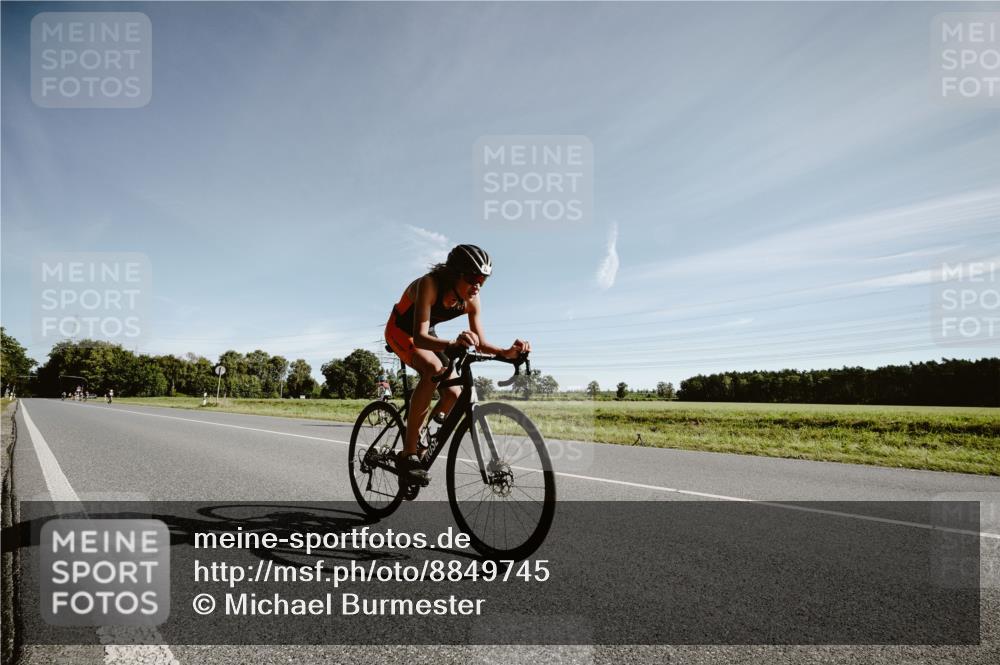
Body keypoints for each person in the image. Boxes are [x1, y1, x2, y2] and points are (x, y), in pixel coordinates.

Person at [384, 244, 530, 485]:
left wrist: (507, 352)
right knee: (432, 369)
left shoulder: (472, 298)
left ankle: (424, 438)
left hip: (427, 334)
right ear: (455, 274)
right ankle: (408, 453)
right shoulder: (429, 284)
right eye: (473, 278)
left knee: (453, 392)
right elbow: (419, 338)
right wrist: (452, 343)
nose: (477, 285)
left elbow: (481, 343)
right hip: (400, 331)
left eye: (483, 279)